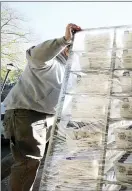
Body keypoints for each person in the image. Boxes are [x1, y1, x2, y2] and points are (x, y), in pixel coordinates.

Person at [2, 23, 81, 190]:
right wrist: (65, 40)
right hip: (26, 114)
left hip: (47, 117)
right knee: (28, 162)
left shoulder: (70, 71)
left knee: (21, 158)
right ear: (67, 49)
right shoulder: (49, 62)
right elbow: (37, 55)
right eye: (74, 48)